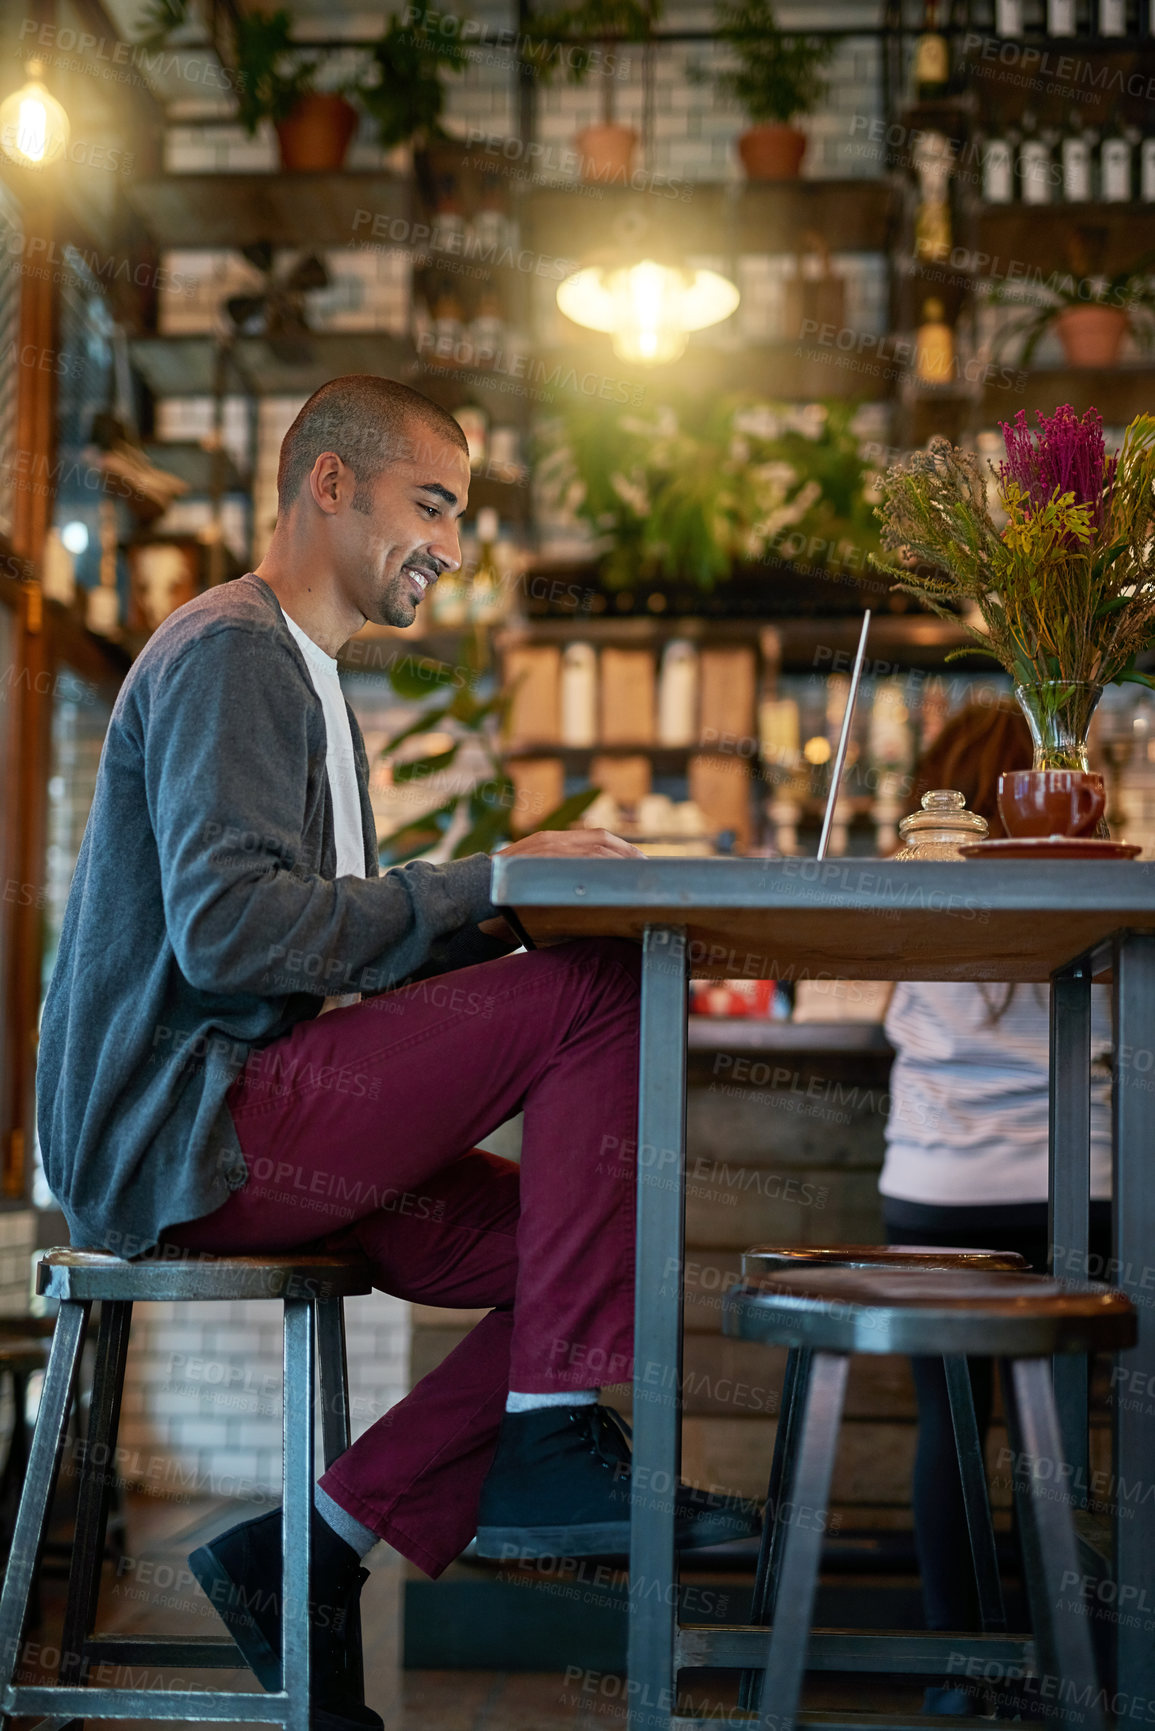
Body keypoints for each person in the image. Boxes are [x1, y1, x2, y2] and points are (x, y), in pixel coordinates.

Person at [36, 376, 755, 1731]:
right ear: (327, 483)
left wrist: (493, 899)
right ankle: (548, 1433)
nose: (452, 543)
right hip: (188, 1130)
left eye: (460, 515)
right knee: (597, 985)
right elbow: (237, 936)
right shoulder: (236, 649)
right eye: (430, 504)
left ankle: (303, 1542)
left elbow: (311, 943)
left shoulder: (305, 677)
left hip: (254, 1119)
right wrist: (489, 880)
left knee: (593, 1249)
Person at [880, 699, 1112, 1711]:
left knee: (952, 1422)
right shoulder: (1095, 879)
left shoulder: (902, 885)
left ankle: (957, 1672)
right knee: (1072, 1425)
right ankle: (1082, 1667)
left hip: (941, 1197)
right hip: (1081, 1196)